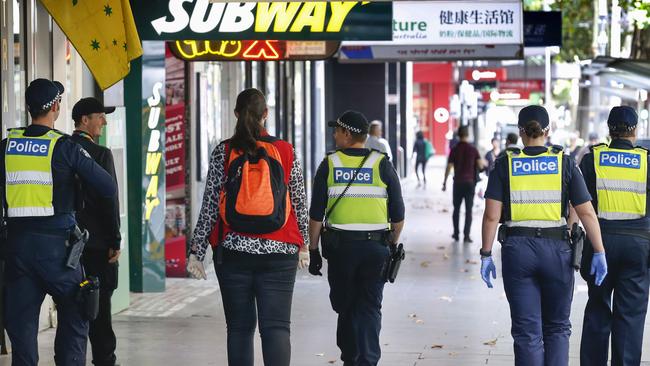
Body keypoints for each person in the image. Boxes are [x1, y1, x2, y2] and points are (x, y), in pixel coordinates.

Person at [187, 88, 310, 366]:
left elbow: (209, 205)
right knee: (276, 327)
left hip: (233, 253)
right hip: (280, 252)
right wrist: (304, 244)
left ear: (236, 114)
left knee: (240, 329)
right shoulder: (285, 150)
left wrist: (196, 251)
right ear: (265, 114)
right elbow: (300, 202)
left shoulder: (225, 150)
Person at [479, 105, 608, 366]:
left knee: (527, 332)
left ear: (521, 131)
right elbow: (586, 212)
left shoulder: (505, 164)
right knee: (558, 327)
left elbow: (492, 215)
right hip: (557, 250)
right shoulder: (564, 162)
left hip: (518, 250)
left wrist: (485, 253)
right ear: (547, 131)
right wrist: (599, 251)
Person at [0, 79, 116, 366]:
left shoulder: (6, 146)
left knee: (22, 326)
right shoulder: (64, 147)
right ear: (55, 107)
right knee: (76, 315)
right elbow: (107, 187)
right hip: (59, 252)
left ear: (28, 107)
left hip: (17, 249)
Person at [308, 110, 405, 366]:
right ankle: (368, 360)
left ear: (347, 134)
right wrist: (392, 243)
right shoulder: (382, 163)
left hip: (341, 250)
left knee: (345, 305)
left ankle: (350, 358)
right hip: (376, 248)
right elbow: (398, 214)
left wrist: (314, 250)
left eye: (337, 130)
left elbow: (316, 214)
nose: (334, 134)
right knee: (370, 307)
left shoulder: (329, 164)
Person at [578, 106, 650, 366]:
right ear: (635, 130)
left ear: (609, 130)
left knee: (597, 308)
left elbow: (581, 206)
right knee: (630, 316)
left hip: (601, 244)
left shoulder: (592, 159)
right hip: (638, 246)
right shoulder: (647, 159)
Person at [70, 97, 121, 366]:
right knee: (100, 310)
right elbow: (109, 201)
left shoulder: (62, 150)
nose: (104, 121)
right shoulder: (101, 154)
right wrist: (115, 239)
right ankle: (105, 361)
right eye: (99, 116)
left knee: (72, 307)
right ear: (84, 120)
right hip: (99, 245)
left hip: (68, 245)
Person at [443, 126, 483, 242]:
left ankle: (456, 234)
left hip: (458, 183)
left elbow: (449, 167)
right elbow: (480, 166)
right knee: (468, 210)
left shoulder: (454, 149)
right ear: (467, 135)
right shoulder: (473, 149)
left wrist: (445, 182)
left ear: (458, 135)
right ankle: (466, 236)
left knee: (456, 209)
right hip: (470, 183)